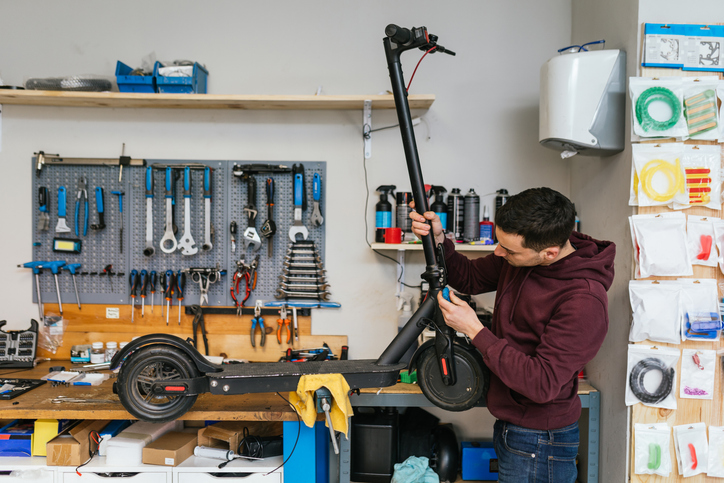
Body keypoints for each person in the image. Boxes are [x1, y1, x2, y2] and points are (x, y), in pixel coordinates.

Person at [410, 187, 614, 483]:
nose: (498, 252)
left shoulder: (583, 301)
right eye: (499, 243)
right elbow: (469, 275)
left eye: (508, 250)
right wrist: (439, 240)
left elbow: (542, 383)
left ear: (550, 253)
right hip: (513, 426)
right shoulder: (523, 255)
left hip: (542, 441)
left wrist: (474, 329)